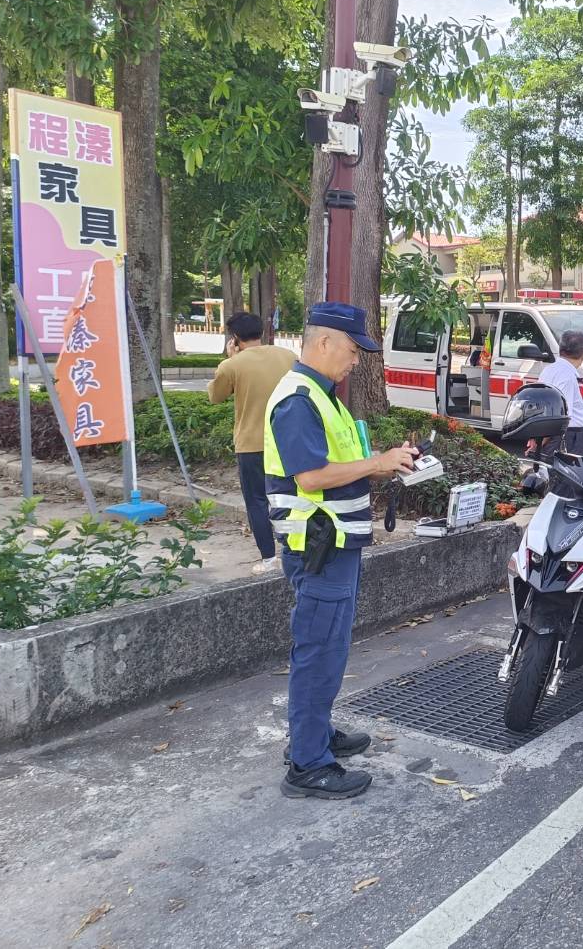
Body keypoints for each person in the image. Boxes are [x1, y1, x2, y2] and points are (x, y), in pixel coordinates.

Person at [264, 302, 419, 799]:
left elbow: (339, 464)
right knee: (318, 652)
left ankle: (314, 735)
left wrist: (384, 463)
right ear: (324, 342)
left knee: (329, 650)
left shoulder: (321, 395)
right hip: (319, 547)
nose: (357, 360)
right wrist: (379, 463)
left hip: (336, 543)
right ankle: (308, 764)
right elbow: (311, 476)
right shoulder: (297, 399)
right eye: (353, 349)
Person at [207, 312, 297, 574]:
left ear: (234, 338)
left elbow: (215, 396)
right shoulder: (288, 356)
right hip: (288, 440)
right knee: (291, 497)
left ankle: (269, 558)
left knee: (257, 501)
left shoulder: (232, 365)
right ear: (262, 332)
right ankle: (295, 550)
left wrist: (231, 360)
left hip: (251, 443)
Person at [537, 329, 583, 456]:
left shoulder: (548, 370)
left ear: (560, 350)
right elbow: (563, 415)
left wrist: (537, 438)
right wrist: (543, 441)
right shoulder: (568, 376)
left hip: (546, 431)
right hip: (567, 436)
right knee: (570, 474)